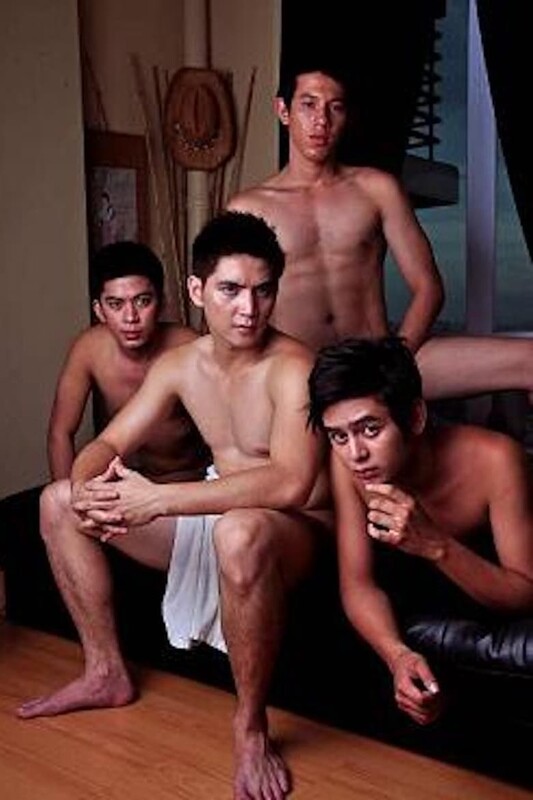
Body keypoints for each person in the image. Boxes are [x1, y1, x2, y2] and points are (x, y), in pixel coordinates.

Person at [19, 212, 332, 800]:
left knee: (239, 533)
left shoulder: (295, 368)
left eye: (263, 291)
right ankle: (105, 671)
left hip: (293, 527)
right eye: (230, 289)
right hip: (217, 509)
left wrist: (159, 499)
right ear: (196, 290)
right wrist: (86, 488)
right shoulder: (182, 365)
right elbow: (108, 443)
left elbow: (291, 483)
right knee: (56, 502)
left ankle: (250, 727)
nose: (248, 309)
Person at [227, 62, 533, 404]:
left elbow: (429, 288)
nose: (321, 121)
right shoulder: (249, 208)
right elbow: (232, 308)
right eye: (308, 105)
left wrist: (394, 361)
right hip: (302, 372)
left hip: (380, 357)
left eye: (335, 107)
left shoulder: (377, 189)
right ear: (283, 111)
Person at [307, 336, 533, 725]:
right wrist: (397, 655)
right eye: (339, 436)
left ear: (414, 417)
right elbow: (358, 585)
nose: (356, 454)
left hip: (486, 590)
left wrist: (436, 545)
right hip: (412, 593)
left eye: (370, 429)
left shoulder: (496, 461)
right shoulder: (348, 467)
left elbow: (525, 592)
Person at [47, 240, 209, 482]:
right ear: (99, 311)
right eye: (115, 304)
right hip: (121, 482)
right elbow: (60, 432)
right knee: (55, 497)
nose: (130, 317)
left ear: (161, 303)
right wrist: (68, 495)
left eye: (143, 301)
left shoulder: (191, 348)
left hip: (183, 482)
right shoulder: (88, 349)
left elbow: (231, 436)